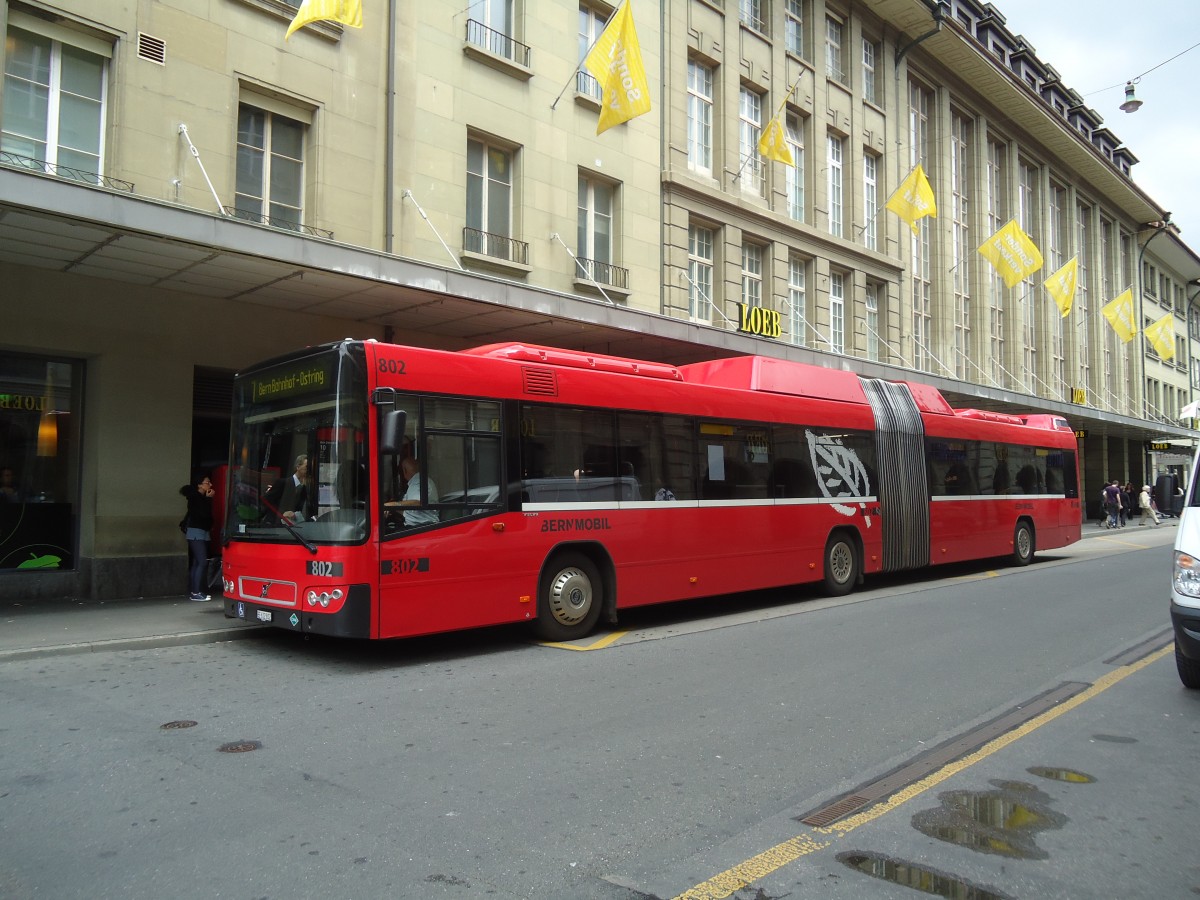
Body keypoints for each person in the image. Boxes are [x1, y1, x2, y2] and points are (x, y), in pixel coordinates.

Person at [179, 471, 215, 601]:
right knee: (201, 561)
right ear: (200, 485)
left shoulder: (200, 497)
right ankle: (196, 592)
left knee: (196, 562)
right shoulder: (195, 498)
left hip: (202, 531)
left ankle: (195, 590)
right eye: (207, 482)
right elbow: (203, 513)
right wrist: (209, 499)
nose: (210, 484)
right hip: (196, 532)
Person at [264, 454, 313, 523]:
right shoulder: (282, 483)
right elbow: (266, 501)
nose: (309, 470)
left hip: (292, 526)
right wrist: (282, 513)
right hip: (275, 525)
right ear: (298, 467)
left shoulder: (304, 489)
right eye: (307, 467)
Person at [392, 455, 439, 527]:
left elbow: (417, 501)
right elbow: (410, 510)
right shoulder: (420, 481)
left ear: (404, 471)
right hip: (419, 525)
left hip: (420, 527)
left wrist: (393, 504)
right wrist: (391, 509)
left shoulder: (418, 481)